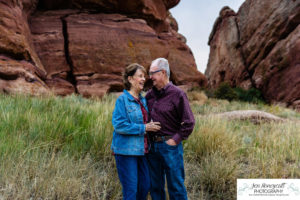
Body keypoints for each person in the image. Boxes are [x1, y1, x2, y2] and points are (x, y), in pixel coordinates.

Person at [146, 58, 195, 200]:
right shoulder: (149, 95)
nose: (150, 77)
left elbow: (189, 122)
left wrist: (174, 141)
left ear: (162, 73)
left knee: (176, 187)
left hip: (170, 147)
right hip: (152, 148)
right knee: (155, 187)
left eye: (152, 73)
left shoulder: (178, 94)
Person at [111, 63, 161, 200]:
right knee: (131, 190)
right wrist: (144, 128)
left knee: (145, 186)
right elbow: (119, 125)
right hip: (126, 152)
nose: (144, 79)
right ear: (130, 79)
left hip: (142, 151)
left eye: (144, 76)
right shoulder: (123, 100)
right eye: (140, 76)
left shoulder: (143, 100)